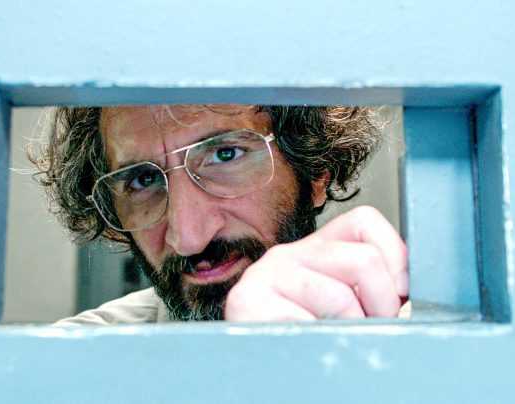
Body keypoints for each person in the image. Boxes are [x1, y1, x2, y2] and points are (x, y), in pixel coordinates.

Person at [30, 105, 409, 324]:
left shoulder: (409, 340)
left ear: (316, 172)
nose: (188, 237)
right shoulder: (72, 366)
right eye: (143, 179)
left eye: (225, 155)